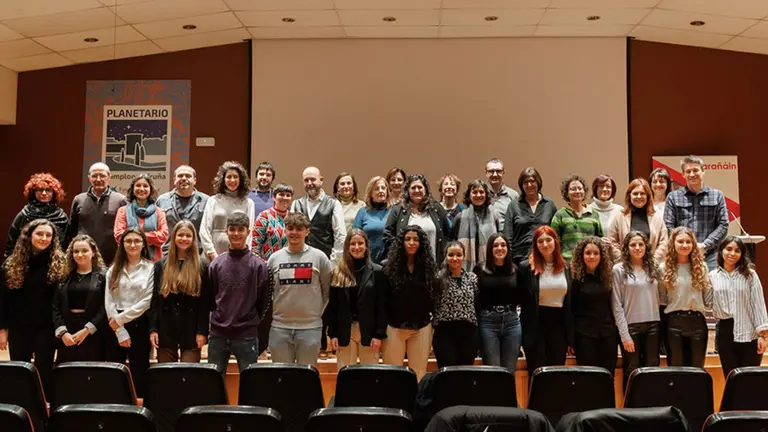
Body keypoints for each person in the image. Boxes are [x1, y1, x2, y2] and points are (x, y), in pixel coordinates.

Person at [0, 219, 66, 393]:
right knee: (19, 371)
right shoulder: (11, 263)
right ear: (29, 236)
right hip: (18, 327)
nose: (44, 238)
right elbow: (3, 300)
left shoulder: (60, 264)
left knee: (43, 370)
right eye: (39, 234)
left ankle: (42, 412)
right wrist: (2, 330)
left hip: (46, 328)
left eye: (48, 235)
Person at [207, 212, 269, 374]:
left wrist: (248, 320)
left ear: (248, 232)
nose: (236, 234)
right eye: (232, 229)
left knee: (250, 385)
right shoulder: (216, 264)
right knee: (214, 383)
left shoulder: (258, 265)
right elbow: (210, 298)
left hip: (246, 335)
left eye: (240, 230)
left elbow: (263, 303)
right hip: (218, 334)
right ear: (226, 231)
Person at [267, 213, 332, 367]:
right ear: (285, 230)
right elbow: (269, 293)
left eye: (299, 229)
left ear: (307, 231)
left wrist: (314, 315)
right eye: (290, 228)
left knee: (306, 379)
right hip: (279, 328)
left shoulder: (320, 258)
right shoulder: (274, 259)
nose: (294, 232)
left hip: (310, 329)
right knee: (281, 378)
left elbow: (327, 292)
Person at [149, 221, 211, 363]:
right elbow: (154, 301)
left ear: (194, 239)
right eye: (180, 235)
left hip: (191, 329)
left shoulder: (202, 266)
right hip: (166, 328)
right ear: (173, 237)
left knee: (189, 376)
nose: (184, 239)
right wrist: (153, 329)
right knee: (166, 376)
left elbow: (204, 304)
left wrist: (202, 332)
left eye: (188, 236)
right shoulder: (160, 265)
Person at [382, 226, 437, 380]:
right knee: (392, 376)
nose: (412, 243)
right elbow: (382, 301)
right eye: (407, 239)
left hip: (421, 326)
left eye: (415, 239)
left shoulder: (429, 268)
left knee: (419, 375)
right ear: (401, 242)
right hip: (393, 327)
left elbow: (432, 299)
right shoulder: (387, 267)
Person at [327, 229, 387, 370]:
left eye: (360, 243)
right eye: (353, 244)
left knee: (369, 376)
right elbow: (333, 306)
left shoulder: (378, 272)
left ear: (366, 246)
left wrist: (379, 334)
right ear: (347, 247)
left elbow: (381, 306)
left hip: (369, 332)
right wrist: (333, 334)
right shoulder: (338, 272)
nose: (357, 247)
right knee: (346, 377)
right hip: (345, 331)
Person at [105, 228, 154, 397]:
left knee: (140, 369)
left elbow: (147, 301)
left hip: (139, 323)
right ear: (122, 244)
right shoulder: (113, 270)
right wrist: (119, 329)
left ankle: (138, 410)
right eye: (128, 241)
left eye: (137, 241)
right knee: (113, 370)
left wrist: (120, 319)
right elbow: (108, 300)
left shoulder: (150, 268)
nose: (133, 244)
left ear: (143, 244)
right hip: (114, 326)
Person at [710, 236, 768, 378]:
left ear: (742, 254)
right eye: (728, 249)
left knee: (750, 380)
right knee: (731, 379)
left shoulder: (750, 275)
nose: (732, 254)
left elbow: (758, 304)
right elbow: (708, 302)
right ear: (721, 251)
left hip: (750, 334)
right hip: (725, 333)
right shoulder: (712, 276)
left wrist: (762, 335)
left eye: (737, 250)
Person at [520, 225, 574, 377]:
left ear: (556, 242)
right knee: (537, 374)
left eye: (548, 240)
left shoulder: (567, 268)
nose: (545, 244)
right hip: (536, 327)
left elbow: (570, 304)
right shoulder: (526, 268)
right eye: (540, 241)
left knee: (556, 374)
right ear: (535, 245)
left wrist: (570, 337)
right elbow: (522, 301)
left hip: (559, 327)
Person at [611, 231, 661, 389]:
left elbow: (662, 297)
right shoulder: (618, 270)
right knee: (632, 368)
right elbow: (616, 304)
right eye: (633, 245)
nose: (637, 248)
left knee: (652, 368)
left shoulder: (654, 268)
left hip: (654, 325)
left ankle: (650, 408)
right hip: (631, 327)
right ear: (626, 248)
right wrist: (624, 334)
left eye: (641, 244)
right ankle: (630, 410)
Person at [659, 227, 712, 367]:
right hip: (674, 322)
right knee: (676, 369)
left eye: (688, 242)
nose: (684, 245)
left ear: (693, 244)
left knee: (697, 368)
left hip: (697, 323)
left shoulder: (702, 267)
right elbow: (662, 299)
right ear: (673, 244)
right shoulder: (663, 268)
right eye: (680, 241)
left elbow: (707, 298)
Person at [664, 155, 729, 270]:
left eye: (695, 170)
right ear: (683, 174)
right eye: (688, 171)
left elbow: (723, 225)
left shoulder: (717, 195)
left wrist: (704, 245)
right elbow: (668, 225)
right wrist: (685, 245)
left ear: (703, 171)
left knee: (710, 287)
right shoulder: (673, 197)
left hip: (710, 256)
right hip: (681, 255)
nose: (692, 174)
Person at [474, 234, 524, 373]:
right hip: (488, 323)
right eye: (495, 245)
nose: (499, 248)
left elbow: (521, 297)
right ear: (490, 248)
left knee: (509, 372)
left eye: (503, 245)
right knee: (493, 372)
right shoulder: (480, 269)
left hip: (512, 323)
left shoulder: (515, 270)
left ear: (508, 248)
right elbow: (475, 298)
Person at [53, 234, 107, 363]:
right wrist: (63, 332)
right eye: (76, 251)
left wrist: (87, 330)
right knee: (67, 373)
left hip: (92, 332)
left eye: (84, 250)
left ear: (93, 252)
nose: (80, 254)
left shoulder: (104, 276)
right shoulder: (64, 276)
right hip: (67, 331)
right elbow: (55, 306)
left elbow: (106, 306)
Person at [570, 237, 616, 374]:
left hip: (608, 333)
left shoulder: (608, 275)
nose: (592, 256)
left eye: (596, 253)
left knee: (608, 376)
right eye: (588, 253)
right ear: (581, 255)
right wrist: (571, 340)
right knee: (589, 378)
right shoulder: (574, 277)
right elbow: (571, 309)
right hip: (584, 334)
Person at [66, 162, 127, 264]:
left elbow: (125, 230)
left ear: (109, 177)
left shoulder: (120, 200)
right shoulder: (78, 199)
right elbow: (72, 229)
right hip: (84, 257)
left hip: (112, 259)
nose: (98, 179)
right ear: (89, 178)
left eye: (102, 175)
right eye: (94, 176)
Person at [383, 174, 451, 264]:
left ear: (425, 190)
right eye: (413, 188)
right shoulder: (398, 209)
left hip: (434, 266)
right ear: (407, 191)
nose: (417, 190)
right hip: (406, 266)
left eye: (420, 187)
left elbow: (447, 234)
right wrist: (399, 252)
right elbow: (388, 235)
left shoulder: (436, 208)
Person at [432, 241, 479, 368]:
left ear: (464, 257)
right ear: (446, 257)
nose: (455, 258)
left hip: (469, 333)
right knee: (447, 374)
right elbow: (432, 304)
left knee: (465, 374)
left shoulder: (472, 278)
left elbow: (476, 303)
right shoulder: (437, 279)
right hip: (445, 333)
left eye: (459, 255)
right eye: (451, 255)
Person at [200, 161, 256, 262]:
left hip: (239, 258)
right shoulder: (213, 200)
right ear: (223, 179)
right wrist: (212, 254)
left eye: (235, 177)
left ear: (241, 179)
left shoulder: (248, 203)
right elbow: (204, 229)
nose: (232, 180)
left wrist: (245, 255)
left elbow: (250, 232)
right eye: (229, 177)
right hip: (212, 257)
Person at [5, 173, 69, 258]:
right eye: (39, 190)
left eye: (48, 190)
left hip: (54, 261)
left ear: (54, 193)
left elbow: (67, 243)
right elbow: (11, 242)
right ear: (33, 192)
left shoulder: (61, 216)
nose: (44, 193)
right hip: (26, 260)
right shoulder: (25, 214)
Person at [291, 166, 346, 262]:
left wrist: (333, 261)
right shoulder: (296, 204)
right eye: (306, 180)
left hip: (326, 261)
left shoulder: (334, 204)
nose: (309, 183)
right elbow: (290, 233)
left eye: (312, 179)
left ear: (321, 180)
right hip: (300, 261)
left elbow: (340, 236)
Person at [503, 167, 558, 265]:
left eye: (532, 181)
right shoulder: (514, 206)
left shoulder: (549, 204)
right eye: (525, 182)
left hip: (544, 258)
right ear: (521, 185)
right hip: (519, 260)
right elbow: (508, 236)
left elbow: (555, 235)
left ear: (538, 182)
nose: (529, 185)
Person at [607, 178, 668, 263]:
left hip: (651, 268)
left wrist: (654, 262)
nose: (639, 196)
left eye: (642, 193)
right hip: (625, 268)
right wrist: (623, 261)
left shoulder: (657, 217)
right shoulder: (620, 217)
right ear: (629, 196)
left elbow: (663, 242)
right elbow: (611, 242)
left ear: (647, 196)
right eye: (635, 194)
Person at [113, 174, 168, 262]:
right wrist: (151, 237)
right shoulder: (123, 211)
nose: (141, 189)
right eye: (138, 185)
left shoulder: (159, 212)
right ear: (132, 189)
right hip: (128, 260)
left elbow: (163, 236)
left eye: (145, 186)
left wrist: (134, 238)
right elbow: (119, 236)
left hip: (154, 261)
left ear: (151, 189)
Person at [156, 165, 209, 255]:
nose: (184, 178)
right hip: (168, 253)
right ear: (174, 180)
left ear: (195, 180)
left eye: (188, 176)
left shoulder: (206, 201)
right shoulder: (162, 200)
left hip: (196, 254)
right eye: (180, 176)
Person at [551, 174, 603, 262]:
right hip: (567, 263)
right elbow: (554, 242)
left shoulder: (594, 214)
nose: (577, 191)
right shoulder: (560, 215)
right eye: (573, 189)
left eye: (580, 188)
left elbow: (599, 240)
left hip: (589, 263)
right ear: (566, 193)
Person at [452, 179, 500, 272]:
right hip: (465, 269)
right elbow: (453, 243)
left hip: (489, 268)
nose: (478, 195)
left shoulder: (494, 215)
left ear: (486, 194)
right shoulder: (460, 217)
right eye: (475, 192)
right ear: (469, 195)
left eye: (481, 192)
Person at [353, 176, 392, 264]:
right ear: (371, 193)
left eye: (383, 188)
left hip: (389, 262)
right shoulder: (363, 212)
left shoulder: (394, 211)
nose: (381, 191)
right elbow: (355, 236)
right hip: (366, 260)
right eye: (377, 189)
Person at [252, 183, 294, 260]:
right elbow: (255, 245)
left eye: (288, 195)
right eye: (281, 194)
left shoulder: (293, 218)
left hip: (288, 264)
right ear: (274, 197)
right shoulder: (264, 217)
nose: (285, 198)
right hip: (267, 265)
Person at [484, 158, 520, 231]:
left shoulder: (513, 195)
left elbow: (518, 221)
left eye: (498, 171)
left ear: (503, 173)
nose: (495, 174)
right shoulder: (480, 195)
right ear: (486, 173)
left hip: (506, 239)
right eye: (491, 171)